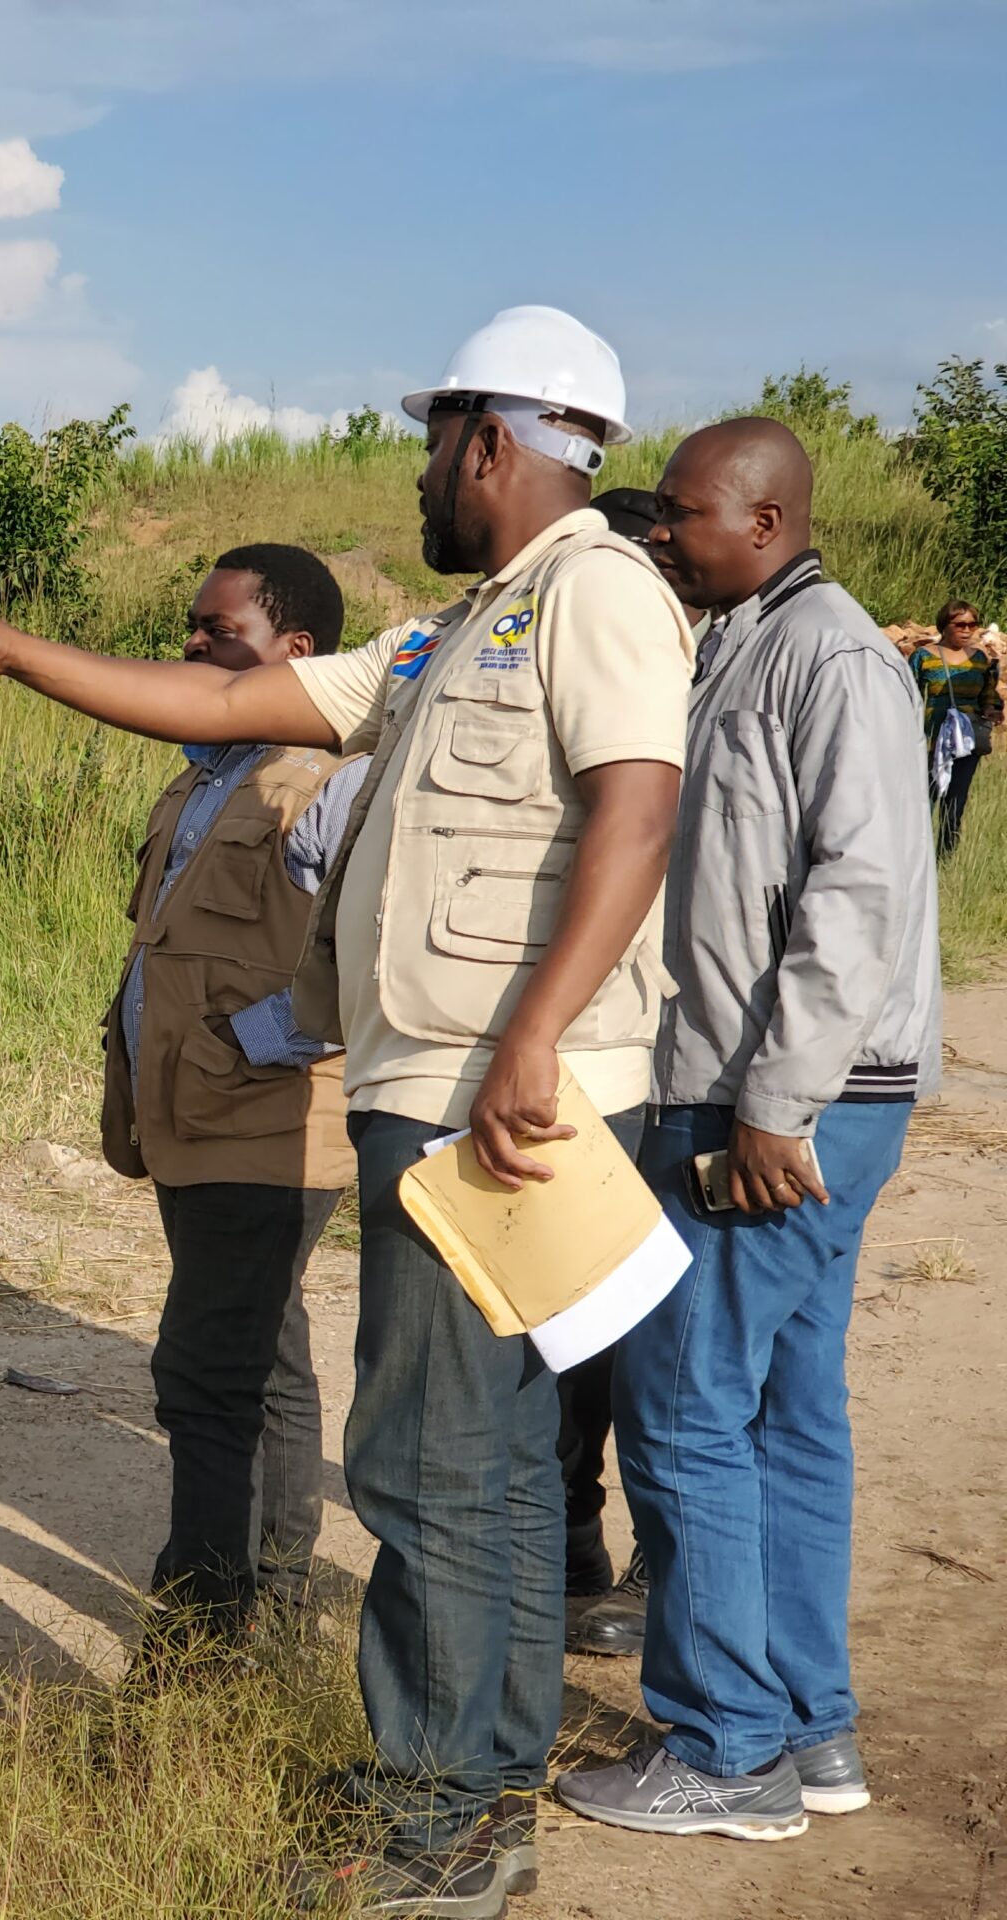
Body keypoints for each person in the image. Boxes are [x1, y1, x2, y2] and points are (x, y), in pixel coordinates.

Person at [0, 306, 693, 1919]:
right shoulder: (456, 630)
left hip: (494, 1100)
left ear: (493, 442)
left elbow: (639, 807)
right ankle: (476, 1781)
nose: (415, 470)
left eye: (432, 439)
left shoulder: (598, 593)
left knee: (430, 1457)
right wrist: (12, 651)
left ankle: (441, 1808)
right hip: (442, 1090)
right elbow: (226, 710)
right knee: (491, 1456)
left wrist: (534, 1037)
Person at [556, 420, 939, 1841]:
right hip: (777, 1093)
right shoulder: (741, 640)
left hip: (782, 1100)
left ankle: (723, 1749)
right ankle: (810, 1732)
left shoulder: (830, 655)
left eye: (689, 516)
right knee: (784, 1416)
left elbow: (861, 891)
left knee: (685, 1413)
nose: (663, 534)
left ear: (768, 521)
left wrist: (778, 1103)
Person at [97, 545, 367, 1649]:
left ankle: (208, 1623)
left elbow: (361, 957)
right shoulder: (204, 770)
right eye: (192, 629)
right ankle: (272, 1583)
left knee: (206, 1369)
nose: (193, 651)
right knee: (267, 1348)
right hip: (190, 1115)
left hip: (266, 1125)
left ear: (294, 654)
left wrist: (247, 1043)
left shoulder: (326, 780)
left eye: (219, 634)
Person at [554, 484, 661, 1661]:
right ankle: (576, 1550)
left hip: (676, 1072)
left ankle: (639, 1566)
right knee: (580, 1339)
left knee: (649, 1354)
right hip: (604, 1063)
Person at [912, 599, 999, 853]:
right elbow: (907, 695)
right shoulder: (924, 657)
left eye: (973, 624)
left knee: (955, 803)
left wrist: (992, 710)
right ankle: (920, 858)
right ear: (945, 624)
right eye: (960, 624)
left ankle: (946, 858)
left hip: (967, 738)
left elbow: (988, 694)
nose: (967, 630)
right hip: (932, 737)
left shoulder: (979, 659)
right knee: (926, 800)